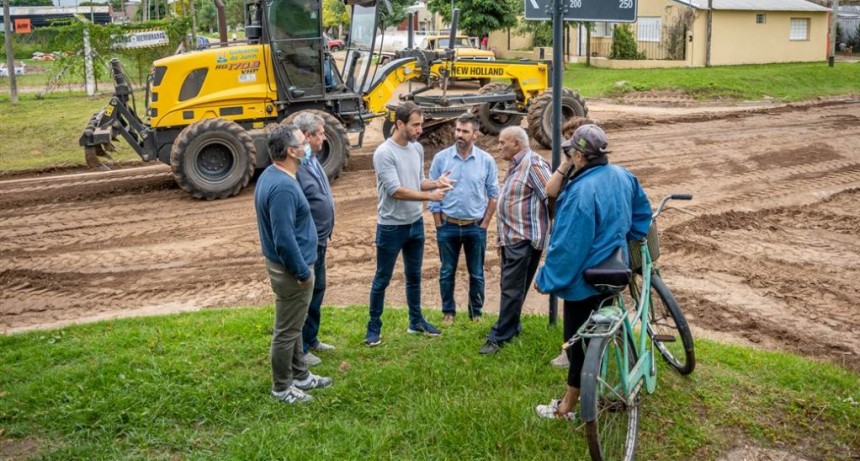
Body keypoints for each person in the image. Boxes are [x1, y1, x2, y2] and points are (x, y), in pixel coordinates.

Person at [533, 124, 651, 419]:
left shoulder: (580, 191)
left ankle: (567, 406)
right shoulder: (623, 175)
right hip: (616, 269)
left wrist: (547, 279)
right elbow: (642, 213)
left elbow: (568, 245)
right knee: (603, 328)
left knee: (577, 344)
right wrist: (628, 238)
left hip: (584, 282)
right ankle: (599, 383)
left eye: (572, 152)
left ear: (580, 157)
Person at [254, 123, 333, 404]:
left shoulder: (273, 175)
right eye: (303, 143)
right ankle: (281, 388)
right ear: (291, 150)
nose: (307, 146)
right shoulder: (284, 187)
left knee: (295, 326)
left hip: (289, 268)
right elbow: (284, 238)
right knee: (286, 332)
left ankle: (301, 376)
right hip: (292, 271)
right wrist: (302, 272)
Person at [365, 102, 455, 346]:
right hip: (391, 226)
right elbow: (396, 191)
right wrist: (430, 197)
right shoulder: (384, 153)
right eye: (415, 125)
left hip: (415, 224)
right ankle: (373, 328)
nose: (420, 129)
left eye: (421, 124)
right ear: (399, 124)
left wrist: (436, 183)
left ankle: (416, 322)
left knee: (414, 276)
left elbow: (418, 182)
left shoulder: (416, 149)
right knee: (382, 278)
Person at [480, 126, 552, 355]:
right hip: (512, 237)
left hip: (524, 238)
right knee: (512, 287)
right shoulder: (517, 164)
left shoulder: (534, 165)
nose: (499, 146)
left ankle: (499, 336)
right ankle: (512, 325)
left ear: (517, 144)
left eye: (503, 143)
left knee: (511, 288)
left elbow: (551, 195)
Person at [429, 113, 499, 324]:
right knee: (446, 271)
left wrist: (484, 224)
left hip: (475, 227)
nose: (459, 135)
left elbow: (494, 195)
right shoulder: (442, 158)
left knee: (476, 273)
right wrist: (439, 224)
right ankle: (448, 312)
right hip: (448, 226)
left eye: (465, 131)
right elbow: (433, 191)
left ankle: (475, 314)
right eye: (458, 130)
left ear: (475, 134)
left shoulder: (486, 161)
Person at [547, 117, 595, 369]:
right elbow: (550, 190)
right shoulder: (570, 167)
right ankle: (571, 350)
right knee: (572, 298)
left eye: (575, 136)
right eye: (568, 137)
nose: (570, 142)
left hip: (585, 242)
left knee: (587, 298)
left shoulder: (595, 170)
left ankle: (587, 350)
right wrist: (566, 163)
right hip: (567, 237)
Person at [294, 112, 336, 367]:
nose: (324, 136)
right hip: (308, 242)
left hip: (320, 240)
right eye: (320, 132)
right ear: (307, 136)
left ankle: (311, 339)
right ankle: (299, 349)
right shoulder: (298, 165)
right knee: (304, 296)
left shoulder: (312, 159)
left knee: (318, 288)